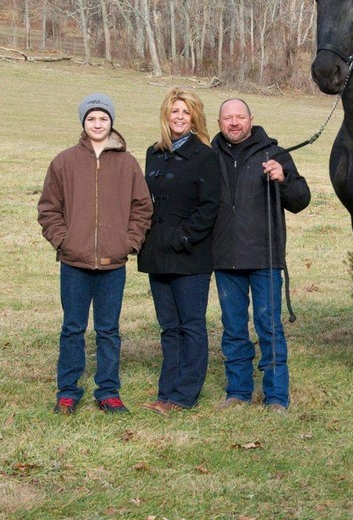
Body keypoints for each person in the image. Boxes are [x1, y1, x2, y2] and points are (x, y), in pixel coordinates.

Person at [37, 93, 152, 415]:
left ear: (111, 122)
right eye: (91, 119)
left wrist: (128, 243)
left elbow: (142, 208)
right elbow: (48, 208)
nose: (97, 124)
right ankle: (68, 391)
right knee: (73, 327)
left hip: (113, 263)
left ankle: (108, 391)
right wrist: (64, 241)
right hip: (75, 262)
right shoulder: (64, 161)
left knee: (108, 329)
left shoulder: (127, 163)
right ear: (83, 123)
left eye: (103, 118)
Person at [211, 98, 311, 412]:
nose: (234, 122)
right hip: (225, 258)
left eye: (240, 116)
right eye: (228, 118)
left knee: (269, 326)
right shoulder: (208, 156)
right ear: (219, 123)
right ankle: (238, 392)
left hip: (265, 258)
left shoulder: (274, 153)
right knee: (233, 328)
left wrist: (284, 178)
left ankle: (277, 397)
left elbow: (301, 200)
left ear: (251, 119)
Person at [137, 89, 220, 415]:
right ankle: (165, 392)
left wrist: (183, 237)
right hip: (157, 254)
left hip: (190, 256)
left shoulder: (205, 156)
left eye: (186, 112)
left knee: (191, 325)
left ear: (194, 117)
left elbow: (209, 206)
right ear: (166, 116)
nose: (180, 117)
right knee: (169, 327)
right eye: (175, 112)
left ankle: (184, 395)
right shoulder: (154, 153)